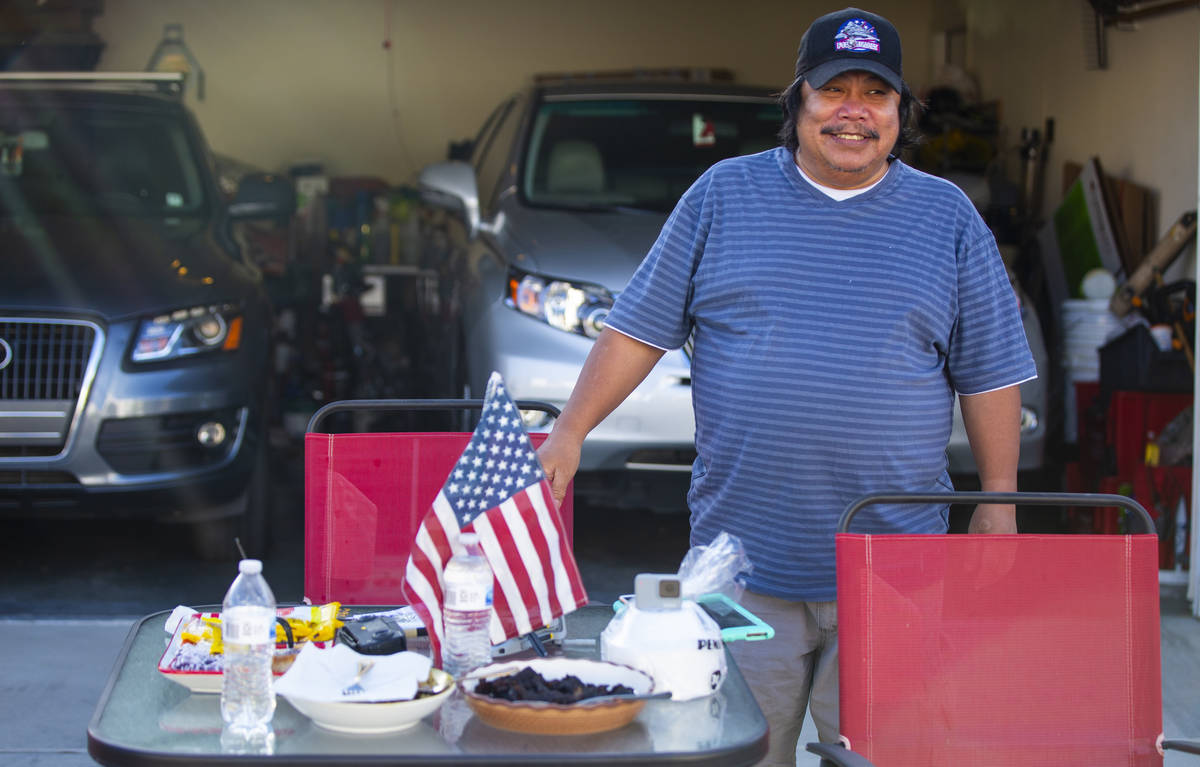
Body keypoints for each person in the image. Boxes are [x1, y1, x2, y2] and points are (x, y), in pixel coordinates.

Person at [536, 7, 1036, 766]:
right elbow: (636, 330)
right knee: (736, 752)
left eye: (877, 94)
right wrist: (570, 430)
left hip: (892, 567)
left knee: (881, 756)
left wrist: (998, 501)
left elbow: (992, 370)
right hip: (743, 568)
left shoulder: (948, 218)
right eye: (836, 89)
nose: (854, 112)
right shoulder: (720, 197)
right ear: (798, 101)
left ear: (903, 113)